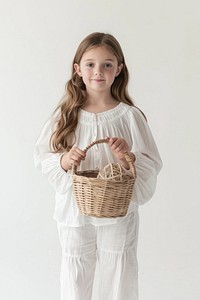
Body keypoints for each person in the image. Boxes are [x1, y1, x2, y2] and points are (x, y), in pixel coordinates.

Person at [34, 32, 162, 300]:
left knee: (119, 269)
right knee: (76, 271)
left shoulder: (129, 116)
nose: (98, 71)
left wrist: (126, 156)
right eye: (90, 64)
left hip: (117, 209)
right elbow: (43, 155)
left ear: (119, 69)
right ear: (78, 69)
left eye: (107, 64)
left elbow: (150, 161)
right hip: (74, 209)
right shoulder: (66, 114)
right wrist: (65, 160)